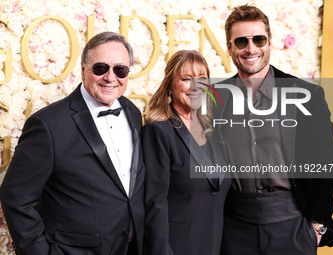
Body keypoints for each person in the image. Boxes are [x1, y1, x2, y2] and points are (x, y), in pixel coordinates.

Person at [0, 31, 144, 255]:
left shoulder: (133, 113)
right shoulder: (48, 125)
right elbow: (16, 198)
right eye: (100, 68)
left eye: (120, 70)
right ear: (83, 70)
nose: (110, 77)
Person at [214, 5, 333, 255]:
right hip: (234, 229)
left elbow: (326, 165)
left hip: (294, 226)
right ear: (229, 48)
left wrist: (316, 227)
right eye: (241, 41)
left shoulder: (307, 95)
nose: (251, 49)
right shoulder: (216, 98)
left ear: (269, 42)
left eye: (258, 39)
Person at [142, 50, 230, 255]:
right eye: (186, 79)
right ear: (170, 85)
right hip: (177, 248)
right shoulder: (159, 132)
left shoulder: (214, 130)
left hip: (215, 246)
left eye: (201, 78)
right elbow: (154, 204)